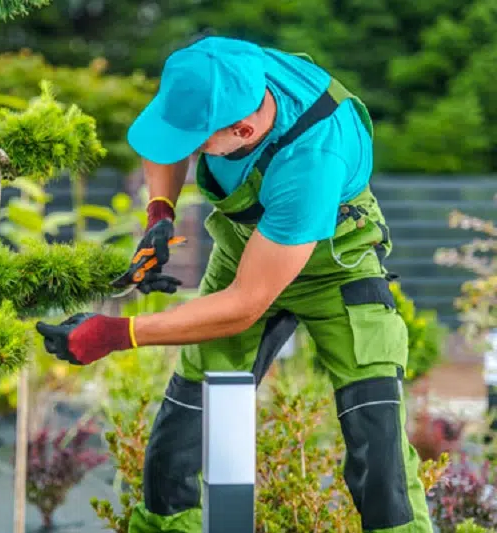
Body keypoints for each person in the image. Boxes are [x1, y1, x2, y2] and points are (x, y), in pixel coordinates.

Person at [35, 36, 433, 533]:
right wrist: (160, 214)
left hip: (338, 266)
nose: (192, 150)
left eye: (201, 144)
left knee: (379, 450)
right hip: (247, 250)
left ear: (244, 130)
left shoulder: (311, 159)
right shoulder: (223, 72)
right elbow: (169, 137)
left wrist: (116, 334)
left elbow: (245, 303)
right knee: (181, 433)